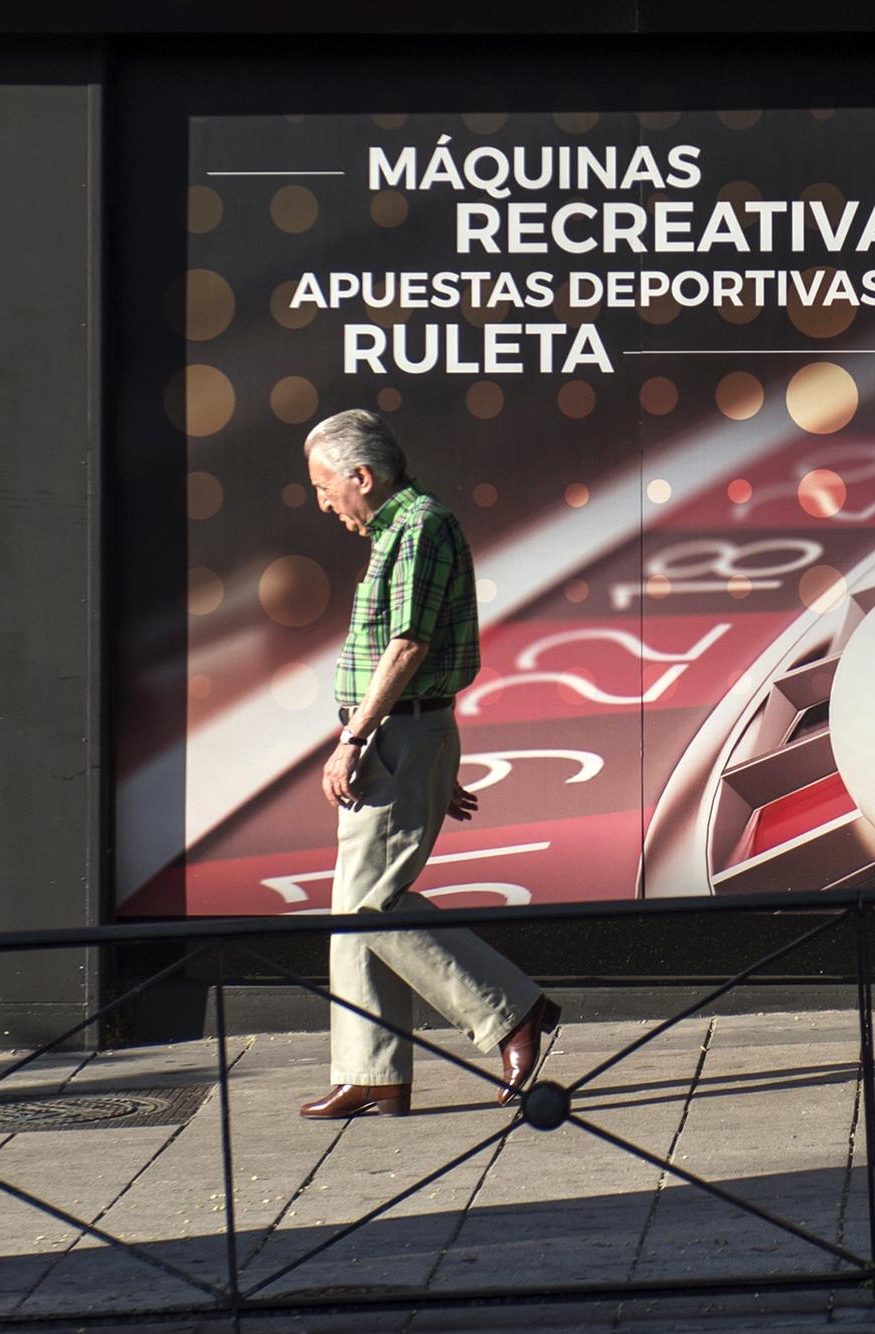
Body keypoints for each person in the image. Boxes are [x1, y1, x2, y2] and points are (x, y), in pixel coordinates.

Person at [295, 408, 558, 1120]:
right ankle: (371, 1071)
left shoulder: (419, 528)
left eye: (326, 487)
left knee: (370, 906)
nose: (323, 502)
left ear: (361, 476)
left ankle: (511, 1012)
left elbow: (409, 645)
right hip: (404, 737)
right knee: (355, 906)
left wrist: (356, 738)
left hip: (392, 737)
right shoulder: (397, 530)